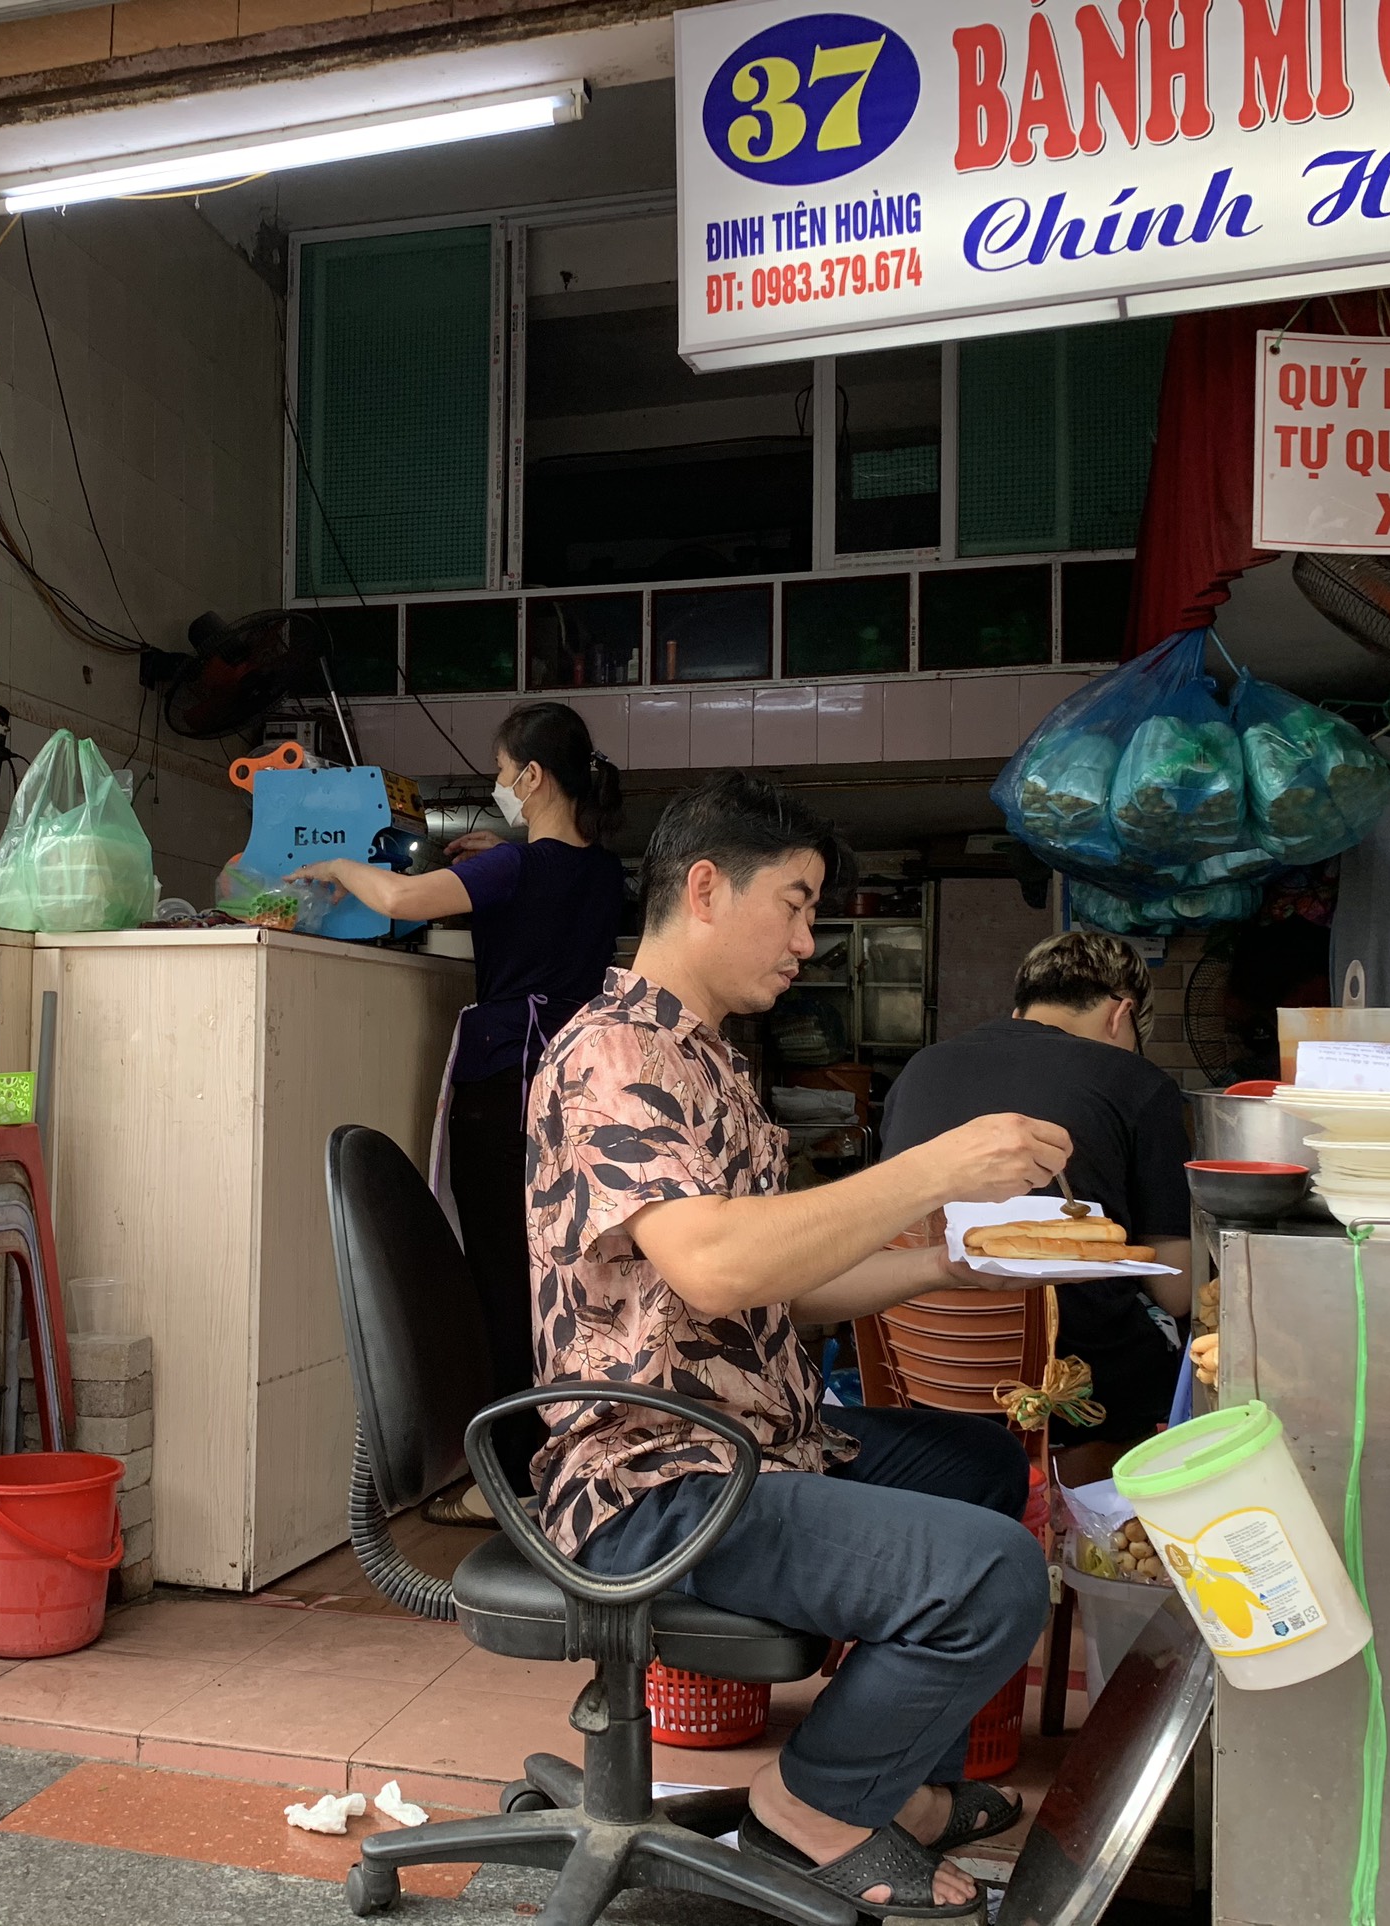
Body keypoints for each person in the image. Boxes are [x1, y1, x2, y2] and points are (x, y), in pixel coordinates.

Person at [528, 771, 1071, 1921]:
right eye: (797, 902)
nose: (807, 940)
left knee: (975, 1464)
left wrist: (947, 1262)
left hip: (751, 1434)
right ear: (709, 890)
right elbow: (720, 1262)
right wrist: (935, 1168)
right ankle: (811, 1811)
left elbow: (774, 1292)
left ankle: (902, 1789)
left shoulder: (709, 1058)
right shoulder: (614, 1057)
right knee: (990, 1571)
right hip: (655, 1474)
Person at [290, 702, 625, 1513]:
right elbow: (535, 899)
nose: (499, 785)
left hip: (505, 1089)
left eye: (503, 772)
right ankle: (565, 1456)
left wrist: (337, 867)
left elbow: (402, 902)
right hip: (576, 1091)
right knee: (556, 1279)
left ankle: (510, 1479)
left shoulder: (515, 869)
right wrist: (494, 859)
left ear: (533, 777)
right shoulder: (604, 873)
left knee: (501, 1286)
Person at [878, 929, 1195, 1481]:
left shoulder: (920, 1068)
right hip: (1076, 1390)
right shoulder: (1140, 1082)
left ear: (1021, 1003)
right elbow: (1178, 1287)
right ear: (1122, 1014)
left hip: (920, 1375)